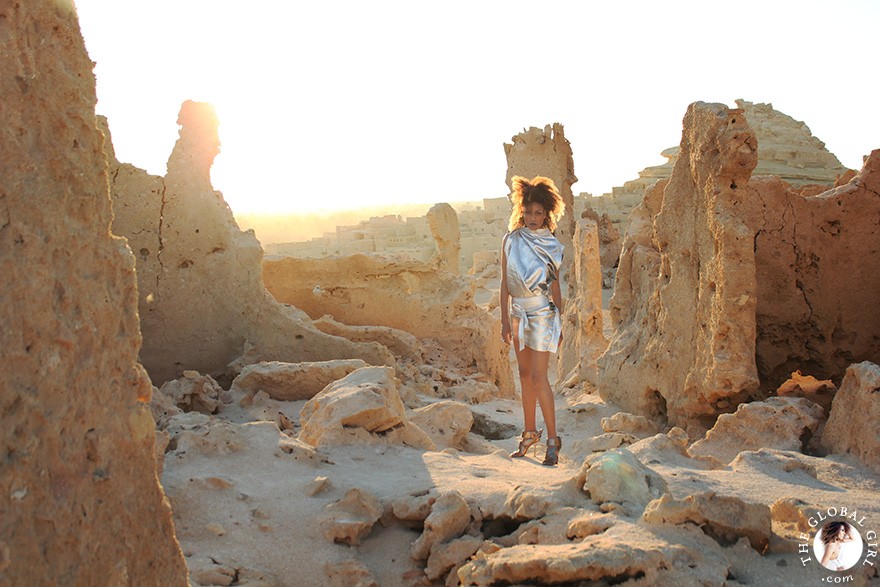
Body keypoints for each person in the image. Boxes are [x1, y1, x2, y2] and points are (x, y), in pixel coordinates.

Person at [500, 175, 565, 466]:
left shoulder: (552, 245)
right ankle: (528, 434)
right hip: (517, 314)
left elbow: (555, 287)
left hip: (542, 314)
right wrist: (504, 320)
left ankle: (553, 440)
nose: (533, 217)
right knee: (524, 377)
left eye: (539, 213)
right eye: (528, 212)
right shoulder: (510, 240)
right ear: (521, 211)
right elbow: (504, 283)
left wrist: (559, 323)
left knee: (539, 378)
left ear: (547, 214)